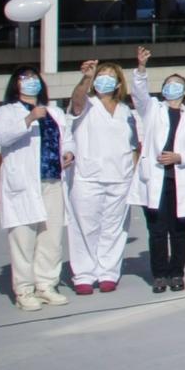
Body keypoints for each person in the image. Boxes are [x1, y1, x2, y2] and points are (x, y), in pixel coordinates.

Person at [128, 50, 185, 294]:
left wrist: (179, 157)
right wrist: (142, 68)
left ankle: (177, 273)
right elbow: (139, 95)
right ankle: (159, 274)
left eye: (176, 85)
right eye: (167, 84)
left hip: (180, 178)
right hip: (155, 178)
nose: (171, 88)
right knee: (156, 230)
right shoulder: (153, 109)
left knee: (178, 230)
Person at [0, 64, 72, 310]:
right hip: (25, 183)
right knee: (23, 238)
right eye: (24, 78)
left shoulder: (54, 111)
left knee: (51, 237)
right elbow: (3, 138)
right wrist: (28, 119)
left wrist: (70, 152)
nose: (30, 82)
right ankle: (24, 291)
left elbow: (67, 137)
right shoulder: (6, 111)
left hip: (52, 179)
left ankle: (46, 285)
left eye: (34, 78)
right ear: (15, 84)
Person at [65, 58, 139, 294]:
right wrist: (86, 77)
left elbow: (135, 143)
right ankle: (84, 274)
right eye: (100, 75)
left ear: (118, 84)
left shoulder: (126, 110)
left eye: (109, 76)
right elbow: (76, 102)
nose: (103, 79)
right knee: (85, 226)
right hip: (88, 176)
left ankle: (108, 272)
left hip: (120, 176)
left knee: (114, 228)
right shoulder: (86, 103)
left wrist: (135, 172)